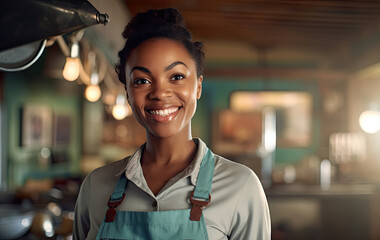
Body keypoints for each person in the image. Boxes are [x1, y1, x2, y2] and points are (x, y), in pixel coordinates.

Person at [73, 8, 271, 240]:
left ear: (197, 86)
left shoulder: (241, 186)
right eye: (142, 80)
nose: (160, 93)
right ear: (127, 92)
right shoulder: (96, 186)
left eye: (176, 77)